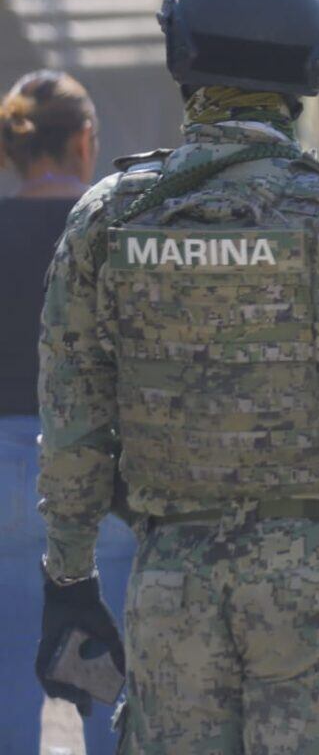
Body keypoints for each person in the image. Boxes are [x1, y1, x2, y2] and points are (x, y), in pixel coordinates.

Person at [33, 0, 319, 752]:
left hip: (171, 579)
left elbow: (72, 430)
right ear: (314, 62)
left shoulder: (107, 219)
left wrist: (68, 577)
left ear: (182, 53)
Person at [0, 71, 134, 754]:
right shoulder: (115, 234)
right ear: (85, 142)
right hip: (98, 476)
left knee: (4, 683)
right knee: (112, 682)